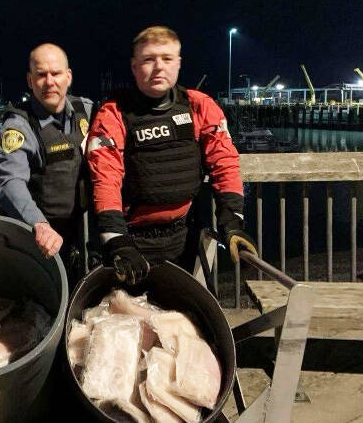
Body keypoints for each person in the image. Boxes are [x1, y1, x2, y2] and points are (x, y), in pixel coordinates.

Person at [86, 26, 257, 285]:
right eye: (148, 59)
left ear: (178, 63)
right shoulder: (112, 114)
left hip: (185, 236)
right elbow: (105, 177)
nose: (158, 67)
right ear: (134, 67)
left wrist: (233, 221)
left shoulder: (200, 106)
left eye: (167, 59)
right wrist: (116, 240)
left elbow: (224, 162)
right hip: (131, 239)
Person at [0, 43, 93, 284]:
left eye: (56, 73)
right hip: (36, 233)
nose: (50, 81)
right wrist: (39, 225)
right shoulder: (18, 125)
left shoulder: (87, 111)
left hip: (81, 231)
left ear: (68, 76)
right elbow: (10, 183)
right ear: (30, 80)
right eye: (41, 75)